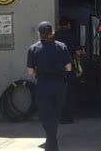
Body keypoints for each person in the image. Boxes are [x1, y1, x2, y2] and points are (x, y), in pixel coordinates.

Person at [27, 21, 71, 151]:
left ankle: (50, 144)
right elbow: (68, 67)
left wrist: (39, 72)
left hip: (43, 85)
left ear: (39, 34)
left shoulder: (33, 48)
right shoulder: (61, 46)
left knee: (46, 117)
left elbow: (29, 71)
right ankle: (52, 144)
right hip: (59, 85)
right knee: (55, 116)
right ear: (52, 33)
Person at [54, 16, 82, 124]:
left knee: (57, 93)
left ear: (59, 26)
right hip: (68, 69)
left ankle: (58, 116)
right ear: (69, 25)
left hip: (55, 69)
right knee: (69, 94)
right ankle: (67, 117)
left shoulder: (54, 37)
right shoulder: (72, 37)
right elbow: (79, 53)